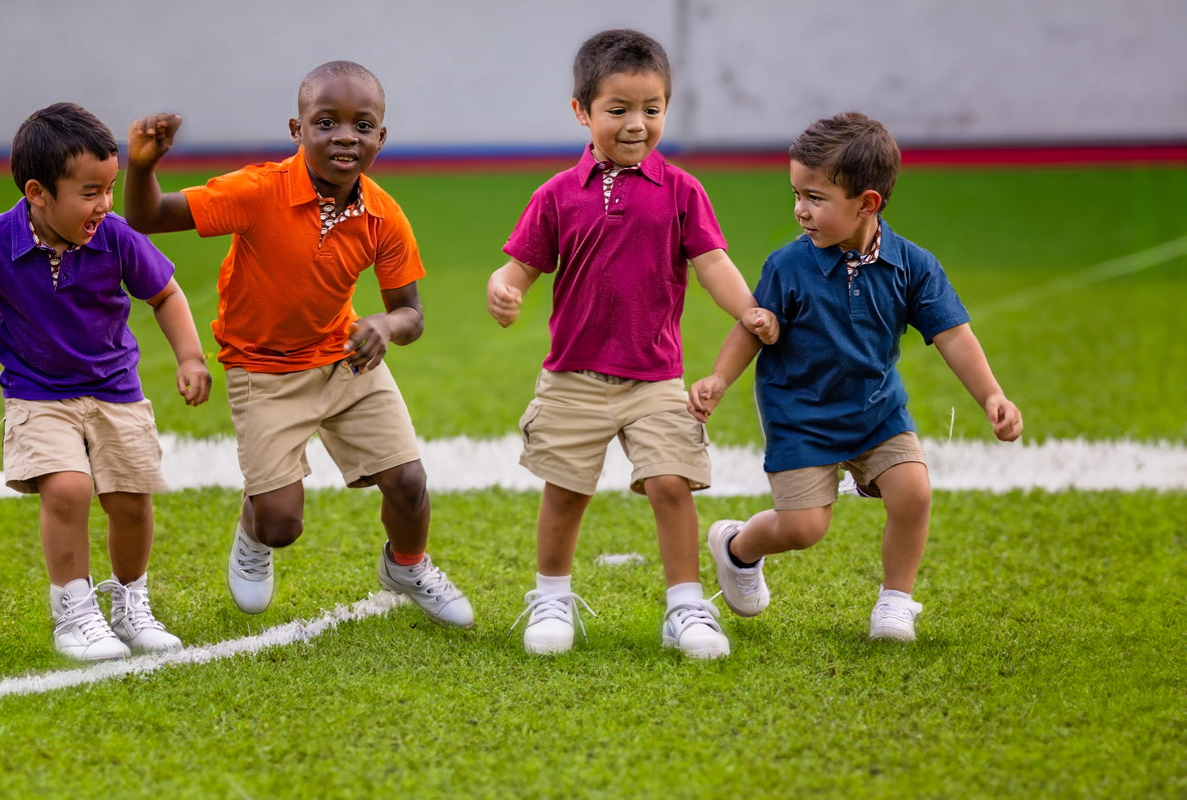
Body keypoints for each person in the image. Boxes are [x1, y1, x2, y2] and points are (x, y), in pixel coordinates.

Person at [123, 60, 473, 628]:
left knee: (409, 482)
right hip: (263, 371)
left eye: (363, 125)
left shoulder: (384, 215)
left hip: (343, 360)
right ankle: (254, 525)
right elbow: (147, 216)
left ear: (381, 137)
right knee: (282, 524)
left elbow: (411, 314)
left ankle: (407, 565)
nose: (345, 136)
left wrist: (382, 327)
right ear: (297, 129)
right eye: (326, 122)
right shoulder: (258, 190)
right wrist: (141, 166)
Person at [487, 29, 778, 659]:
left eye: (652, 109)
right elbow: (519, 267)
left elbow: (712, 263)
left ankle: (687, 606)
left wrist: (749, 307)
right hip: (573, 377)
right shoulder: (557, 194)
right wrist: (502, 289)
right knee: (565, 490)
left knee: (671, 485)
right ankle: (552, 596)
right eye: (618, 110)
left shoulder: (682, 191)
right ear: (581, 112)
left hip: (656, 379)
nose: (636, 124)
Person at [689, 112, 1023, 641]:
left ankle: (895, 602)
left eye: (815, 198)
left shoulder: (914, 266)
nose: (800, 209)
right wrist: (718, 380)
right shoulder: (787, 267)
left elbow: (954, 335)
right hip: (800, 416)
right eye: (796, 194)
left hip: (876, 410)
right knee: (804, 528)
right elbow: (751, 327)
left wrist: (992, 395)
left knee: (913, 492)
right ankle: (738, 548)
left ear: (867, 203)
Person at [0, 103, 213, 661]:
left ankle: (131, 604)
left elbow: (165, 294)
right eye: (90, 192)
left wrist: (190, 358)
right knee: (68, 489)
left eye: (110, 188)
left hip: (116, 390)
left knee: (130, 499)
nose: (106, 204)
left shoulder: (115, 237)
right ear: (38, 193)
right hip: (37, 393)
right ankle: (73, 611)